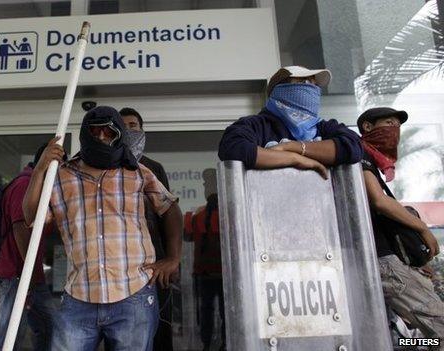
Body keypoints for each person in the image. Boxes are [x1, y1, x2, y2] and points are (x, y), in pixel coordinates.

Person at [23, 106, 183, 351]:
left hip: (133, 296)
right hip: (79, 298)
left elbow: (170, 208)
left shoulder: (138, 172)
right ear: (85, 134)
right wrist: (41, 170)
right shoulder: (61, 176)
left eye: (108, 132)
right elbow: (31, 216)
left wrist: (173, 258)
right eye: (95, 131)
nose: (101, 137)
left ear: (118, 135)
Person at [357, 107, 444, 340]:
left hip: (385, 258)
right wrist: (422, 228)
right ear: (367, 127)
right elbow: (379, 202)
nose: (395, 131)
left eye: (398, 126)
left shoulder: (371, 162)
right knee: (440, 324)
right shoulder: (358, 153)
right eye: (388, 123)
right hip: (381, 259)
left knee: (405, 336)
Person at [218, 66, 363, 175]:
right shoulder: (256, 126)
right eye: (305, 82)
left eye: (315, 85)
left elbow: (353, 147)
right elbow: (233, 148)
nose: (313, 90)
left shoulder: (323, 127)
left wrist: (291, 147)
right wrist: (295, 159)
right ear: (281, 89)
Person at [120, 107, 174, 351]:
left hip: (154, 265)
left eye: (133, 125)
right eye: (122, 126)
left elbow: (169, 215)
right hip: (119, 267)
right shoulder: (104, 166)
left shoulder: (153, 168)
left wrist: (171, 259)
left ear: (142, 130)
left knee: (159, 331)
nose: (129, 130)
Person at [0, 145, 54, 351]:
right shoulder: (25, 184)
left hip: (23, 276)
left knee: (48, 328)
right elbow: (21, 229)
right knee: (10, 337)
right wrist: (34, 277)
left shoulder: (30, 184)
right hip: (18, 275)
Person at [184, 168, 224, 351]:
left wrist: (190, 216)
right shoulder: (224, 215)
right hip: (214, 274)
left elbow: (187, 235)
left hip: (208, 274)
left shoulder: (200, 216)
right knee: (220, 312)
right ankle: (221, 343)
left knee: (208, 312)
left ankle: (208, 344)